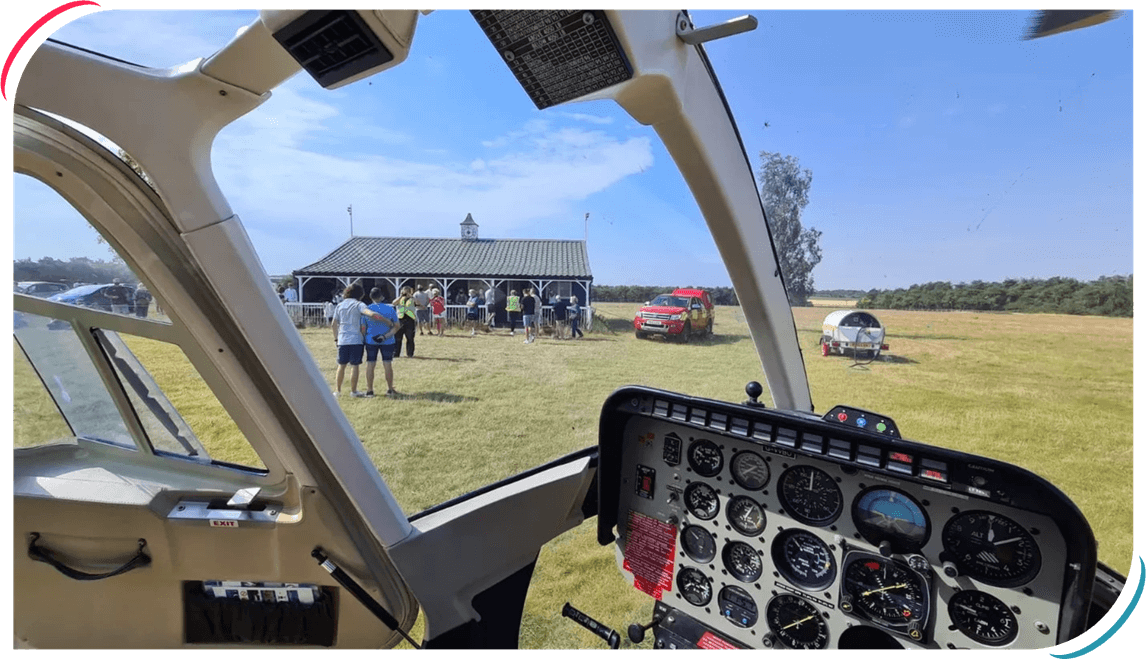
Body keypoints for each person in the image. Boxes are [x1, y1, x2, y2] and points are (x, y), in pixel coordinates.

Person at [332, 282, 395, 397]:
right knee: (354, 366)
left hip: (342, 339)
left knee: (341, 365)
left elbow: (333, 324)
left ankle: (337, 390)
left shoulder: (340, 306)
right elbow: (372, 314)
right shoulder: (359, 305)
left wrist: (336, 339)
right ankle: (354, 391)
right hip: (356, 339)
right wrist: (387, 321)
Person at [362, 287, 400, 397]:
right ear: (381, 296)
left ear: (370, 297)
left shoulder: (367, 309)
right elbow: (396, 326)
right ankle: (390, 389)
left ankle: (369, 390)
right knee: (387, 364)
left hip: (371, 339)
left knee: (370, 364)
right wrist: (385, 336)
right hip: (388, 340)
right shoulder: (389, 309)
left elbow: (363, 327)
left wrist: (364, 338)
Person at [392, 287, 417, 358]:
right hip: (400, 319)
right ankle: (396, 353)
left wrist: (411, 296)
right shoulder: (399, 298)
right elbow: (394, 303)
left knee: (410, 338)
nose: (405, 293)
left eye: (407, 291)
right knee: (397, 338)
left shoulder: (412, 299)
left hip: (410, 319)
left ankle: (410, 353)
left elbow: (418, 302)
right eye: (404, 292)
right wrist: (401, 296)